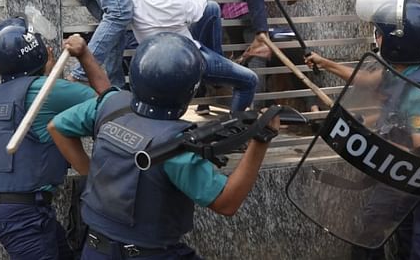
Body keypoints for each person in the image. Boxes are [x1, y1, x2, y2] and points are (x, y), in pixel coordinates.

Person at [47, 33, 280, 260]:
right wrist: (262, 139)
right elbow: (227, 202)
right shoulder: (175, 145)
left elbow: (57, 127)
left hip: (95, 248)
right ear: (190, 90)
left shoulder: (110, 105)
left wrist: (92, 175)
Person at [308, 0, 420, 260]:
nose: (377, 39)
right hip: (407, 175)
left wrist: (366, 139)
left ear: (399, 42)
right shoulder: (408, 66)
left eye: (380, 34)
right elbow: (368, 80)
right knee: (373, 225)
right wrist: (326, 63)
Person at [0, 17, 111, 260]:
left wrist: (50, 74)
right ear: (42, 52)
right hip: (26, 214)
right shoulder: (45, 91)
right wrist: (83, 54)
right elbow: (109, 104)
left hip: (7, 209)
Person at [128, 0, 257, 112]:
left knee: (211, 8)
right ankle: (235, 127)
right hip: (189, 62)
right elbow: (196, 10)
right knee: (249, 80)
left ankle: (216, 66)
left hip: (152, 63)